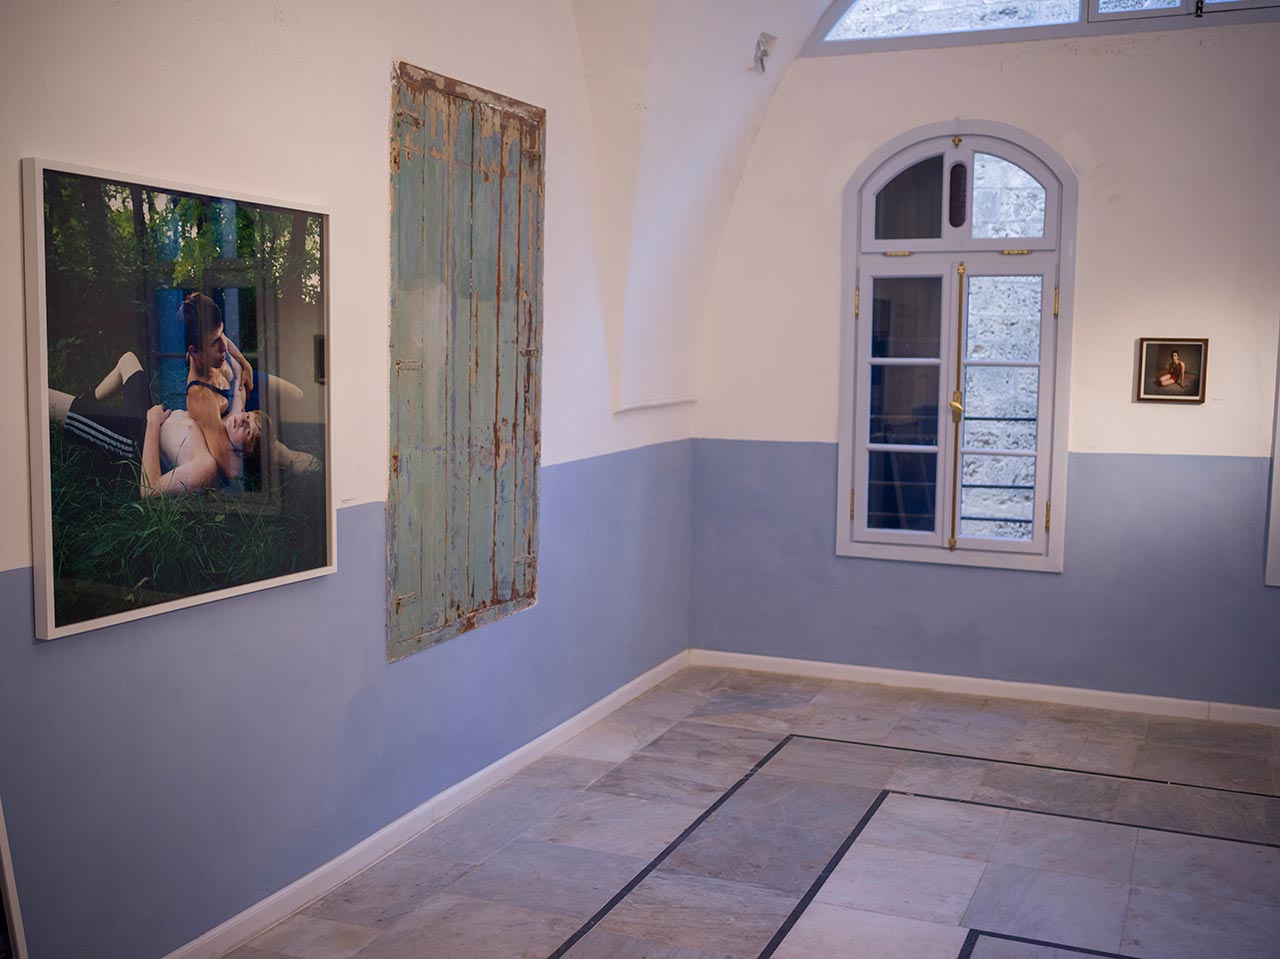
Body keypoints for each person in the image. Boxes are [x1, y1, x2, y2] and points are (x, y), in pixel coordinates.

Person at [50, 352, 265, 497]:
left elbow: (149, 490)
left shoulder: (206, 466)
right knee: (128, 359)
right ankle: (87, 401)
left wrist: (153, 423)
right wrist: (244, 363)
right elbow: (235, 369)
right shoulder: (220, 421)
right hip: (144, 415)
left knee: (48, 402)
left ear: (244, 454)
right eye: (247, 417)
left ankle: (76, 411)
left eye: (248, 431)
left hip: (132, 439)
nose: (242, 420)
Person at [181, 292, 317, 474]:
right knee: (287, 454)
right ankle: (282, 453)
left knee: (297, 395)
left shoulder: (210, 336)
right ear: (194, 351)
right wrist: (240, 399)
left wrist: (245, 363)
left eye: (221, 333)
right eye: (215, 343)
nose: (224, 346)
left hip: (247, 383)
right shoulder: (201, 395)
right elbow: (229, 467)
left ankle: (280, 429)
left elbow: (223, 339)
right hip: (245, 413)